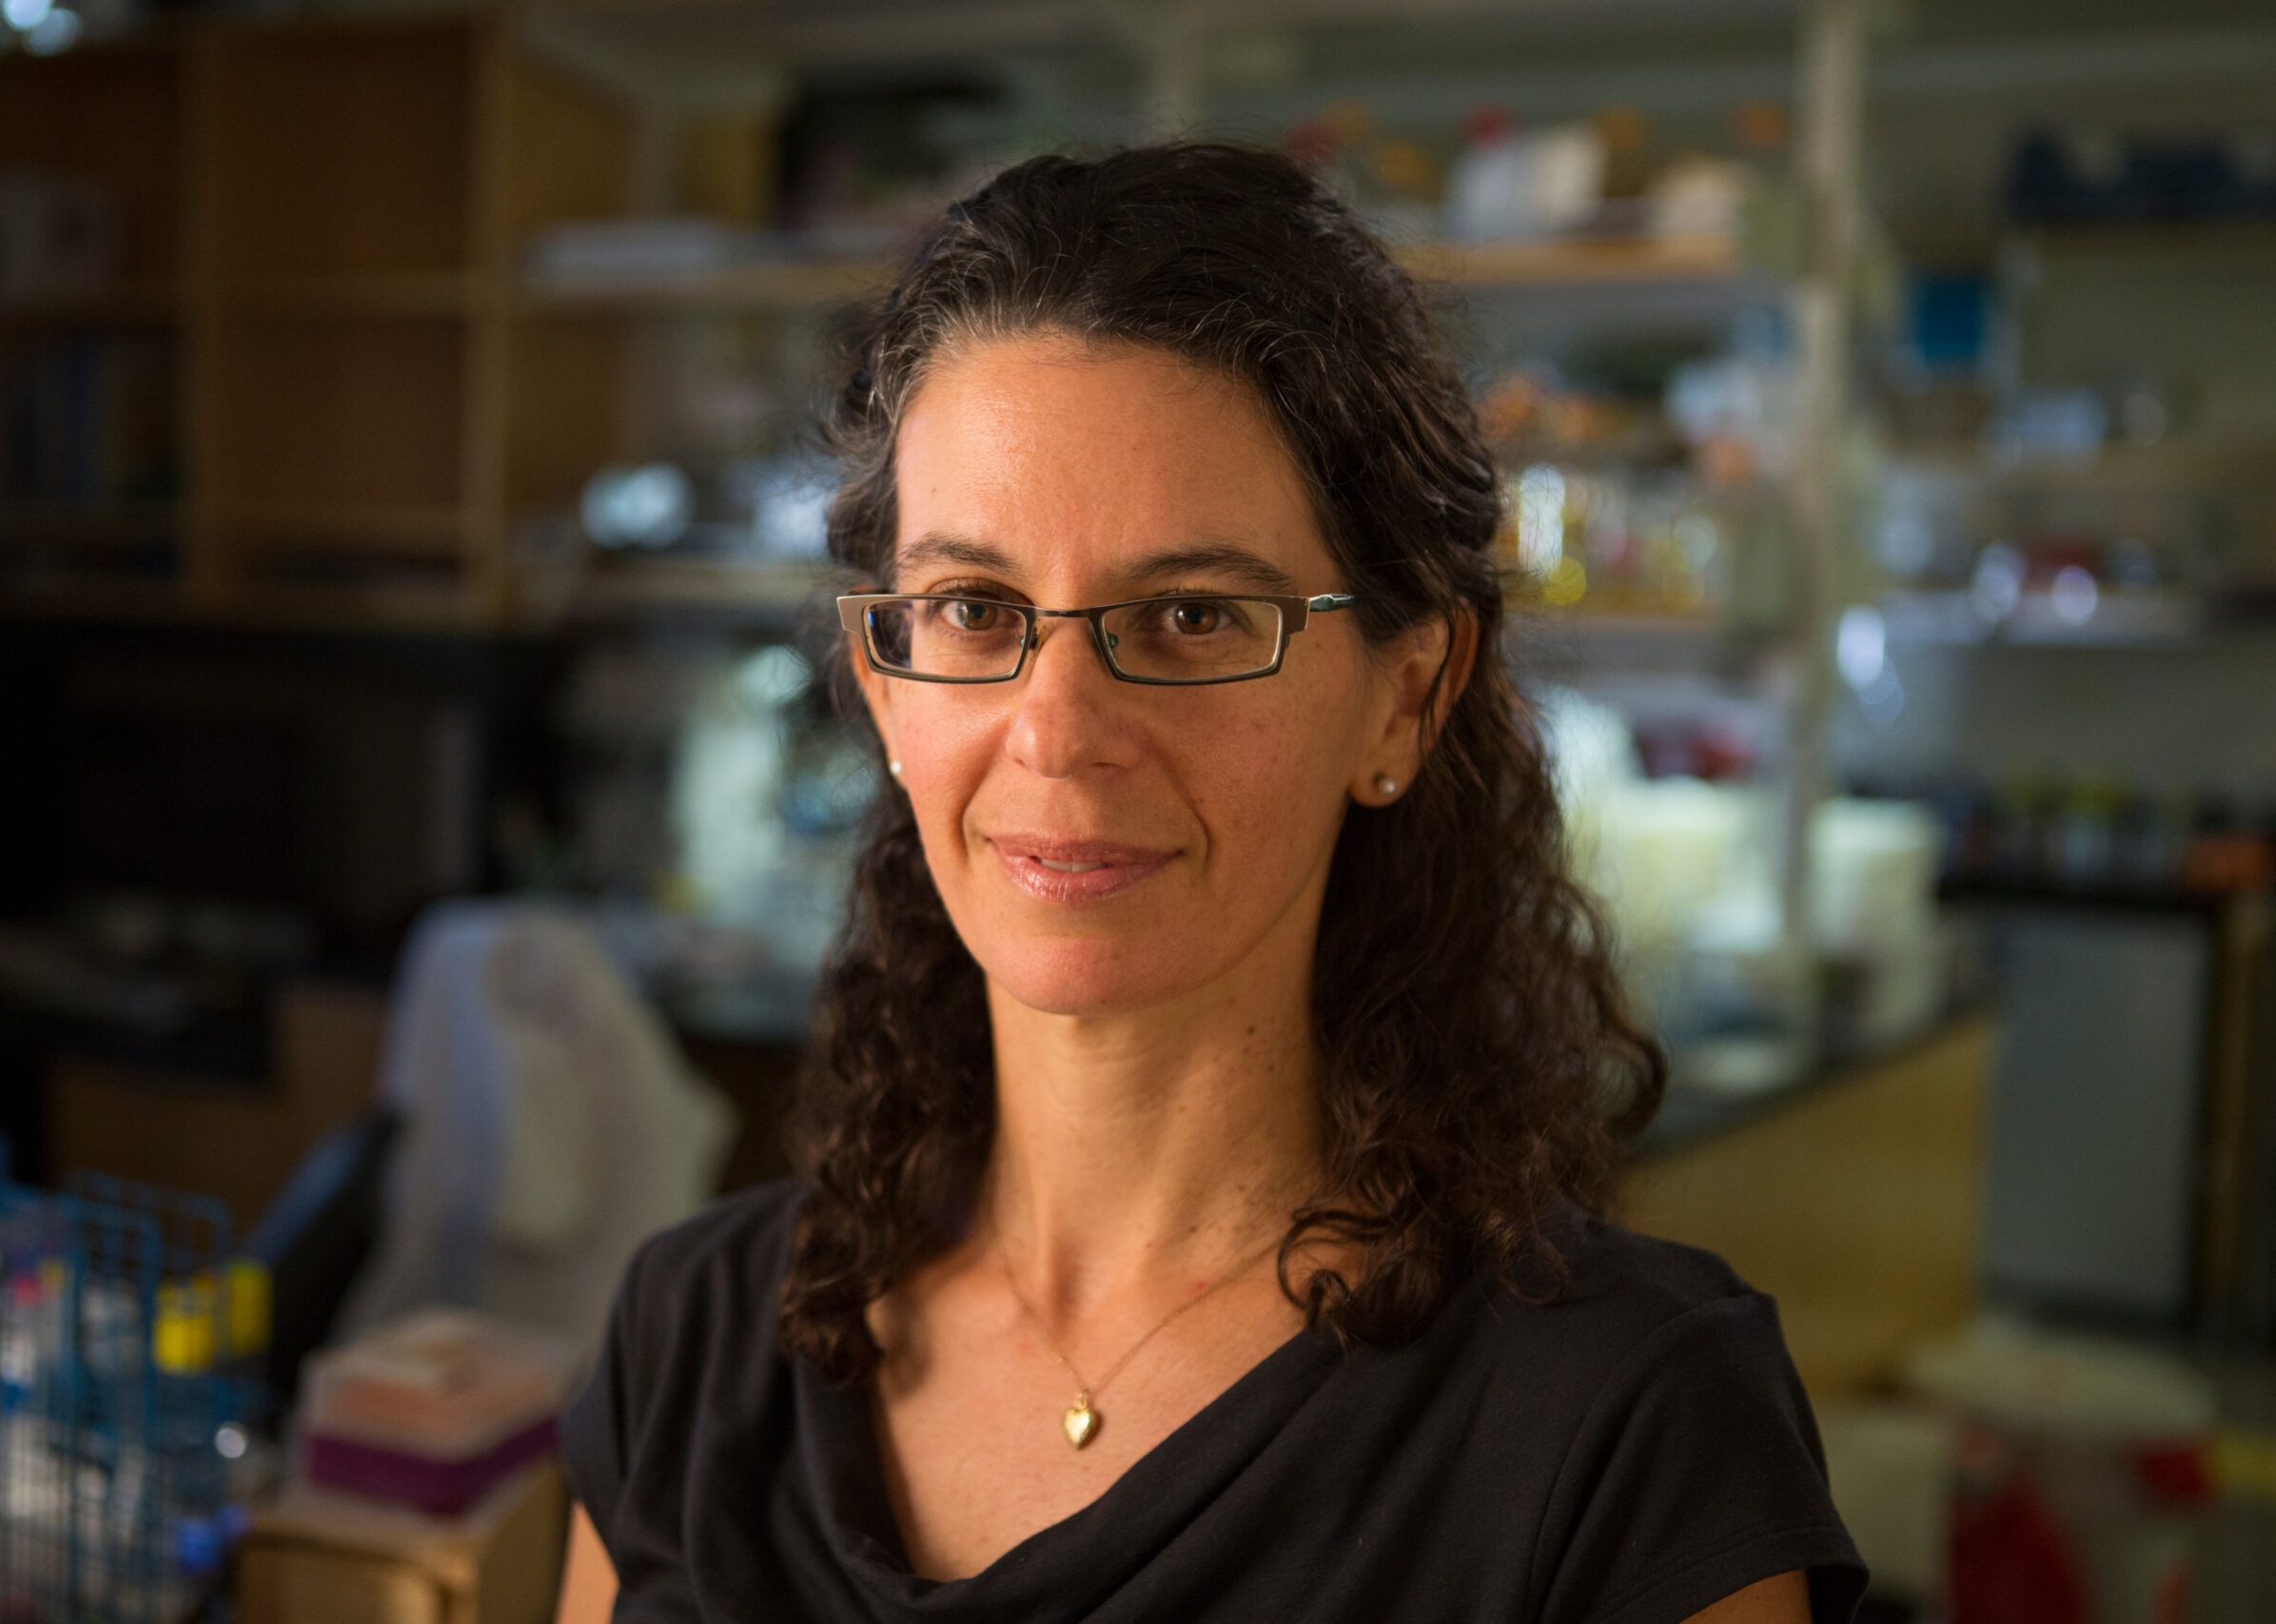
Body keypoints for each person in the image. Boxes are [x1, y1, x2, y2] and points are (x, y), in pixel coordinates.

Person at [555, 144, 1866, 1624]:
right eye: (976, 609)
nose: (1056, 729)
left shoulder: (1629, 1435)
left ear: (1405, 698)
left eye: (1188, 613)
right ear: (884, 686)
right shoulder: (688, 1343)